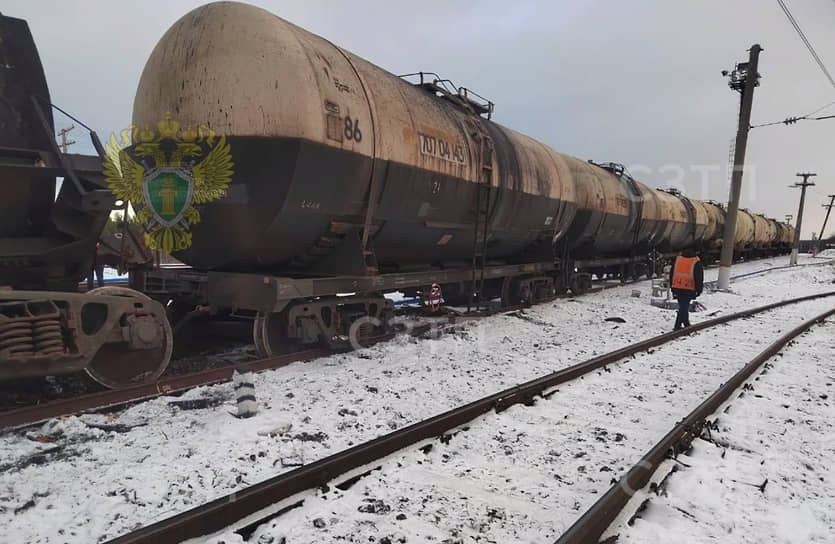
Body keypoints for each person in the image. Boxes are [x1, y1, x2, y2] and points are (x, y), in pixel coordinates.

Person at [668, 248, 704, 330]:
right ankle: (679, 325)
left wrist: (672, 286)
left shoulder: (678, 260)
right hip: (688, 287)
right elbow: (699, 277)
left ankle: (684, 323)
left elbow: (672, 274)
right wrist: (699, 290)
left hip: (677, 286)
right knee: (684, 306)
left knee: (683, 305)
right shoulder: (696, 262)